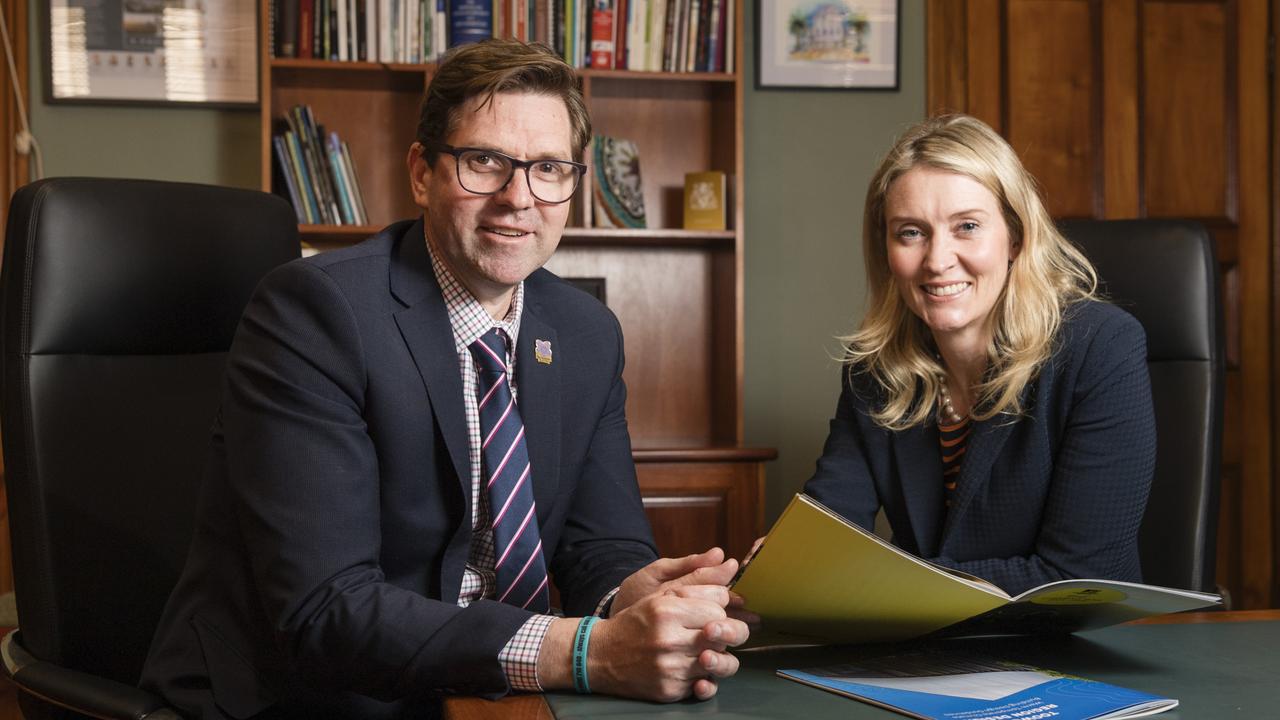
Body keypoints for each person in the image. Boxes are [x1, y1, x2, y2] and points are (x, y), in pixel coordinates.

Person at [141, 38, 748, 719]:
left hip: (476, 694)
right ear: (422, 172)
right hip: (307, 702)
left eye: (549, 168)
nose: (519, 198)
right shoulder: (315, 313)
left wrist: (629, 597)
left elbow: (599, 541)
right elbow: (326, 609)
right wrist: (586, 651)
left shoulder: (585, 333)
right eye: (485, 161)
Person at [801, 114, 1156, 596]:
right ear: (885, 249)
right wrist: (784, 565)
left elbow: (1080, 578)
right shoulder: (875, 371)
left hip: (1070, 650)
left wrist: (882, 584)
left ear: (1015, 236)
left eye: (967, 226)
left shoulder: (1101, 348)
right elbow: (826, 539)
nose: (937, 259)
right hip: (923, 654)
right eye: (910, 232)